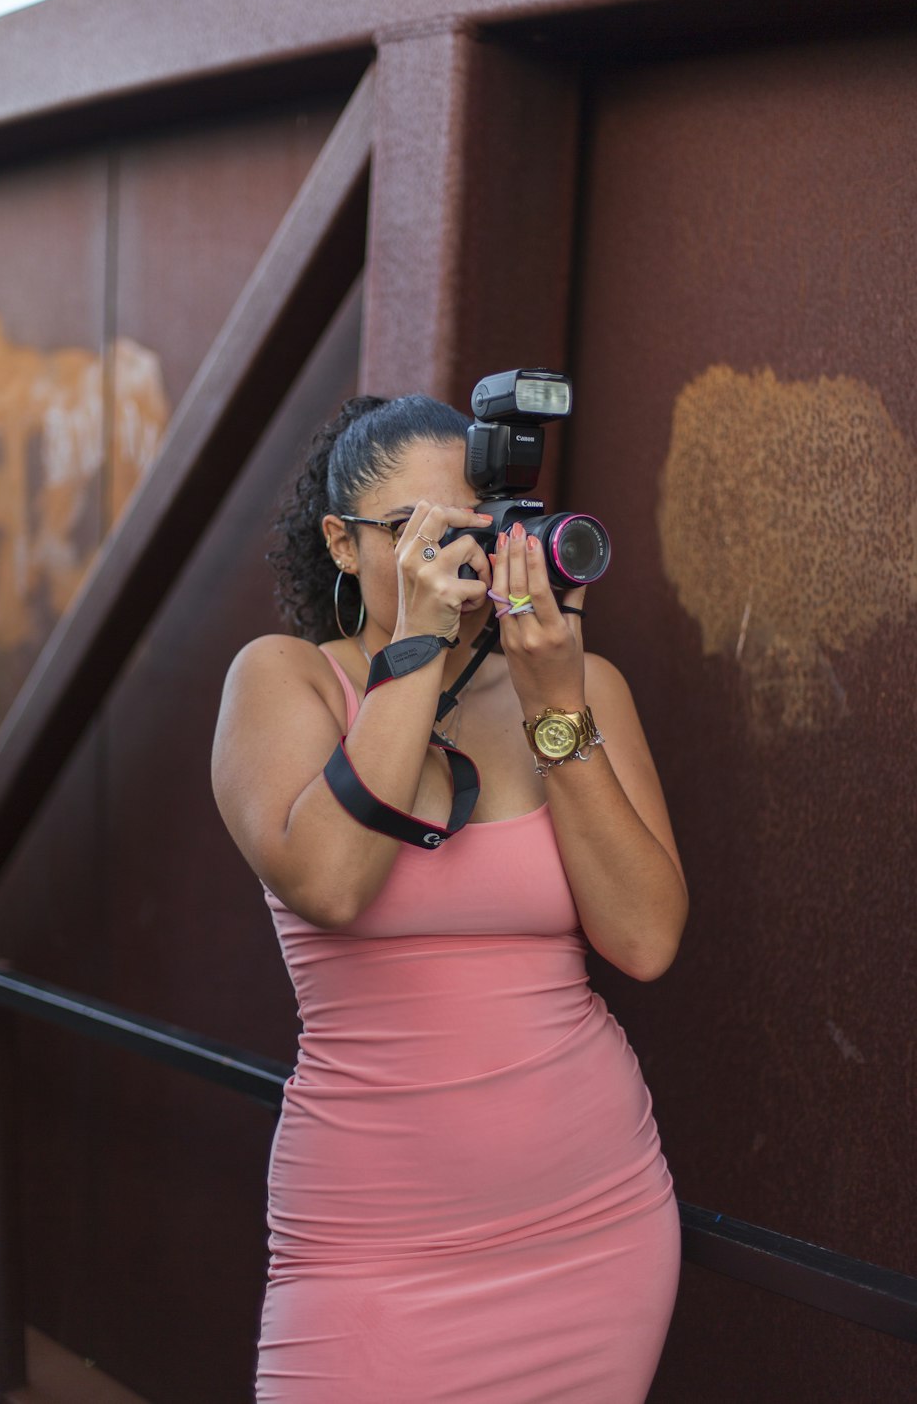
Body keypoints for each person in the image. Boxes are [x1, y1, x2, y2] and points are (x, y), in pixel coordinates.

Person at [212, 392, 688, 1404]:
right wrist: (416, 657)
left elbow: (644, 939)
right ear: (342, 544)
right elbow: (332, 882)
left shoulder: (573, 685)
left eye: (476, 531)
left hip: (593, 1228)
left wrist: (554, 711)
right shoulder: (284, 681)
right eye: (420, 535)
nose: (457, 563)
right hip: (370, 1251)